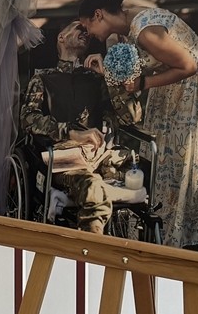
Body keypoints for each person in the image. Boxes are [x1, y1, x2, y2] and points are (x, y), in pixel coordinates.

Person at [78, 0, 198, 248]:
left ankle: (181, 231)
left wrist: (144, 84)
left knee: (180, 152)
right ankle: (164, 224)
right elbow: (129, 75)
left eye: (87, 27)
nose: (88, 34)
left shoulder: (144, 32)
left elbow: (189, 65)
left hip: (191, 84)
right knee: (163, 151)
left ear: (98, 14)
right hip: (168, 81)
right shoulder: (122, 29)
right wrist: (107, 68)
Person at [20, 21, 138, 234]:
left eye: (87, 30)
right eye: (77, 27)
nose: (85, 31)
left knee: (142, 174)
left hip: (103, 156)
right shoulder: (43, 79)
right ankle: (91, 253)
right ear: (61, 38)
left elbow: (130, 117)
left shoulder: (97, 79)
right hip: (67, 158)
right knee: (94, 189)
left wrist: (109, 78)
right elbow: (28, 118)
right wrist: (70, 131)